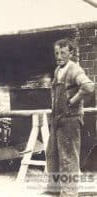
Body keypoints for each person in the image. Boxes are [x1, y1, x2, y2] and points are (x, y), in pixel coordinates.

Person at [46, 39, 95, 196]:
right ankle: (54, 190)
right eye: (56, 53)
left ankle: (69, 193)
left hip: (71, 119)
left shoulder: (74, 69)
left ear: (71, 53)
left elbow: (89, 86)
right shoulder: (57, 70)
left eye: (63, 53)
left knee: (68, 158)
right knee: (52, 154)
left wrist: (73, 100)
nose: (59, 56)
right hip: (57, 119)